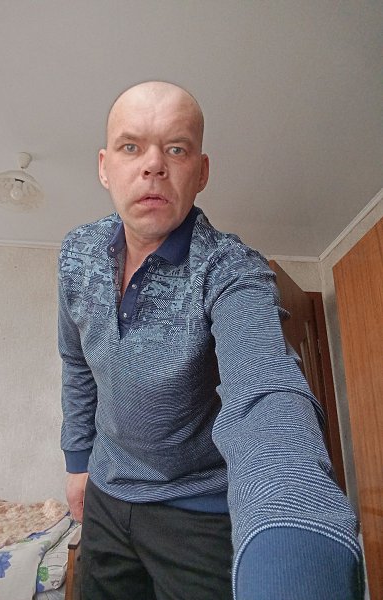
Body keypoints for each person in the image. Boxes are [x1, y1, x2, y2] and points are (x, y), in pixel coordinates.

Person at [58, 81, 363, 600]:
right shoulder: (75, 252)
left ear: (201, 172)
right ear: (105, 167)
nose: (153, 165)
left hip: (196, 510)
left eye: (176, 149)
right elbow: (76, 362)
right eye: (132, 146)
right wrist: (77, 462)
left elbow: (265, 388)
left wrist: (294, 537)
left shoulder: (231, 269)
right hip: (106, 494)